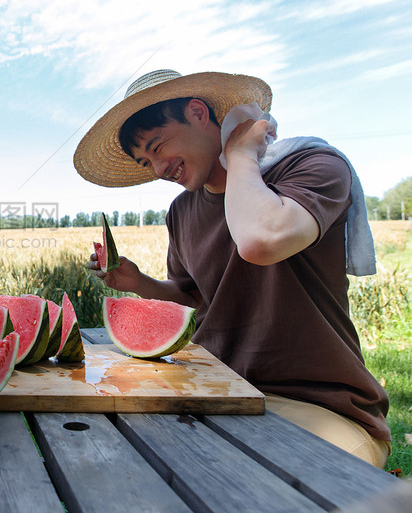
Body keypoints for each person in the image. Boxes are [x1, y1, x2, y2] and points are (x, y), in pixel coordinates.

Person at [73, 69, 391, 468]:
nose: (156, 170)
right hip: (217, 388)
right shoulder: (183, 211)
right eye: (145, 161)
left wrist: (241, 156)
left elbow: (262, 240)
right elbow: (192, 297)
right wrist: (137, 282)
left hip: (320, 404)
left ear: (197, 112)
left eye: (158, 146)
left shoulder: (310, 164)